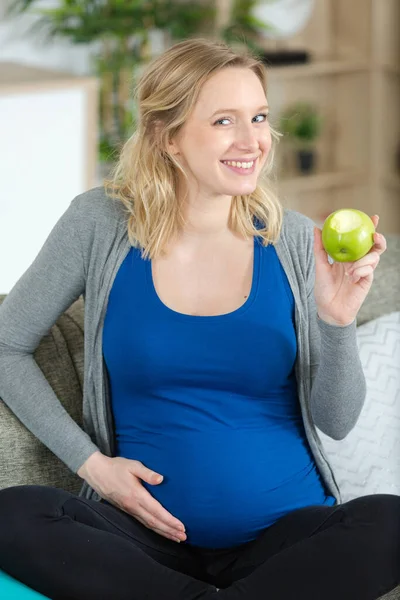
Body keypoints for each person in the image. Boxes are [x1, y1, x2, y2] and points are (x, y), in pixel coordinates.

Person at [0, 36, 398, 600]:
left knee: (390, 523)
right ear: (169, 137)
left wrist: (336, 321)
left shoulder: (295, 242)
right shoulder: (100, 223)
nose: (251, 141)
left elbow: (337, 418)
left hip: (283, 539)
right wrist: (92, 465)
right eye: (223, 121)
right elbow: (6, 346)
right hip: (144, 540)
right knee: (13, 514)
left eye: (259, 117)